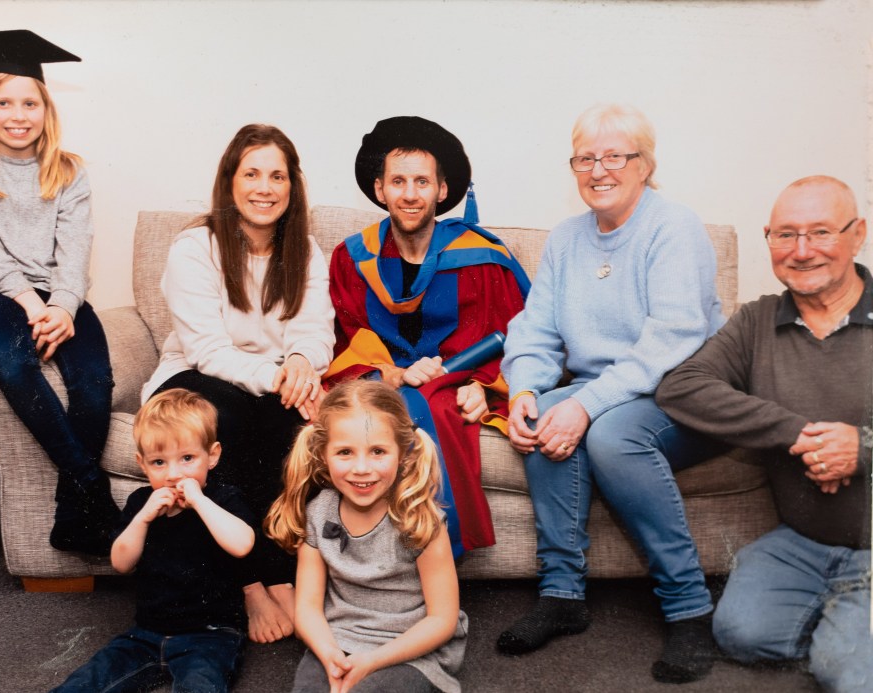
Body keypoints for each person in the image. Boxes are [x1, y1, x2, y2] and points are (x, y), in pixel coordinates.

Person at [497, 104, 725, 683]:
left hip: (683, 388)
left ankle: (689, 608)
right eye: (585, 158)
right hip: (612, 390)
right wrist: (524, 387)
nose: (598, 170)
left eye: (614, 156)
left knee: (613, 437)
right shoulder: (567, 239)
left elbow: (673, 338)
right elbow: (537, 327)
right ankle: (562, 595)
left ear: (644, 164)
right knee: (547, 414)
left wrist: (586, 403)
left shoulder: (673, 227)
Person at [657, 175, 872, 692]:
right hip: (803, 542)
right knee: (739, 633)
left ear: (857, 234)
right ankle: (848, 620)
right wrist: (797, 433)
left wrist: (861, 448)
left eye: (820, 232)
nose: (801, 251)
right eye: (784, 235)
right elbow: (681, 387)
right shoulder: (756, 321)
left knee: (845, 673)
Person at [140, 124, 335, 643]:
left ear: (292, 186)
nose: (264, 188)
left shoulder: (306, 250)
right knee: (228, 419)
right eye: (251, 173)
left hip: (271, 384)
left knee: (299, 432)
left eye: (277, 175)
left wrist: (299, 362)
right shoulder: (194, 246)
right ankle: (255, 582)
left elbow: (316, 331)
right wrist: (282, 377)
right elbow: (208, 351)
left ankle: (282, 572)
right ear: (230, 181)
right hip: (193, 380)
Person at [0, 30, 118, 556]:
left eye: (30, 102)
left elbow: (76, 247)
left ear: (45, 107)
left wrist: (62, 304)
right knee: (16, 366)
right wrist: (31, 303)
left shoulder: (69, 170)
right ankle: (94, 489)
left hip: (58, 293)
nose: (18, 114)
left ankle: (73, 520)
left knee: (94, 382)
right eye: (3, 101)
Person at [325, 116, 530, 557]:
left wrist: (483, 385)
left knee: (431, 404)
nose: (411, 194)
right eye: (398, 181)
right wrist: (391, 374)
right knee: (379, 407)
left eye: (422, 181)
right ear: (380, 190)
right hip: (384, 380)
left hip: (456, 381)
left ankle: (437, 555)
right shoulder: (352, 257)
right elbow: (346, 341)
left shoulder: (482, 258)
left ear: (442, 189)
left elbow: (522, 335)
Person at [266, 379, 468, 693]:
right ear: (323, 455)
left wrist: (371, 661)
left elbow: (442, 619)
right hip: (338, 640)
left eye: (377, 452)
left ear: (402, 453)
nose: (362, 468)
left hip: (409, 648)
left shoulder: (420, 518)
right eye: (345, 452)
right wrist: (331, 656)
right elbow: (306, 607)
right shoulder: (318, 514)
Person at [52, 388, 257, 692]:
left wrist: (200, 502)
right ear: (142, 464)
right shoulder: (141, 503)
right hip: (146, 632)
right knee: (86, 681)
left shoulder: (221, 499)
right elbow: (121, 563)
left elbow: (242, 544)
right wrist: (142, 519)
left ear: (212, 456)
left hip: (211, 634)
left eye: (187, 458)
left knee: (201, 686)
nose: (173, 474)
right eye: (159, 463)